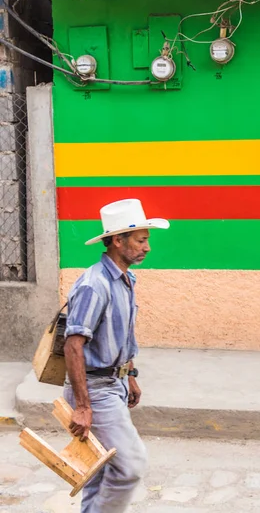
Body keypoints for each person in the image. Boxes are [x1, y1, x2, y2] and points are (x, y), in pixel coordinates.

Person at [63, 198, 169, 513]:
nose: (147, 247)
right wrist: (83, 406)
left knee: (101, 469)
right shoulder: (95, 285)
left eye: (147, 239)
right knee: (131, 466)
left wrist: (130, 375)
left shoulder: (125, 279)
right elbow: (73, 345)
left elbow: (121, 334)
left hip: (114, 383)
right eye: (141, 240)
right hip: (95, 389)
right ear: (118, 240)